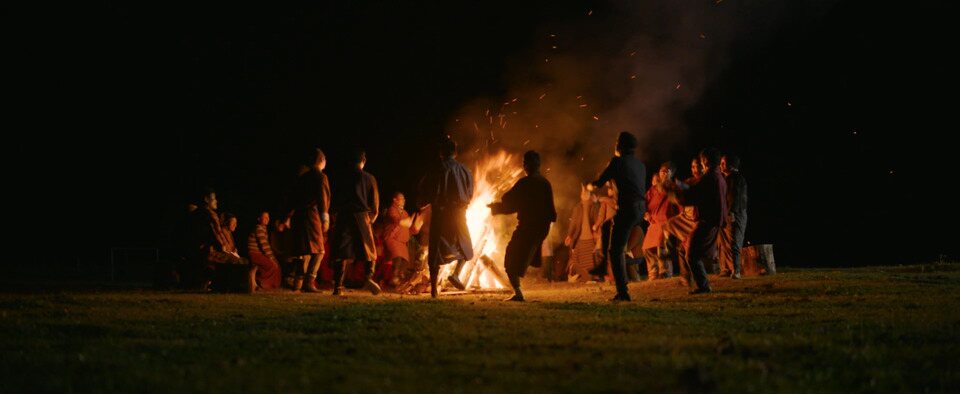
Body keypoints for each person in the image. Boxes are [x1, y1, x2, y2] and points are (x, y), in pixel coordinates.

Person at [488, 150, 557, 301]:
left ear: (526, 165)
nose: (525, 166)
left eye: (525, 163)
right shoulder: (545, 183)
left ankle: (518, 293)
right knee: (517, 259)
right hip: (540, 229)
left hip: (527, 228)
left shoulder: (525, 183)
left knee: (510, 259)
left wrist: (497, 207)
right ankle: (518, 291)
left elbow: (508, 201)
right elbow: (551, 213)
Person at [588, 131, 647, 301]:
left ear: (619, 146)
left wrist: (591, 186)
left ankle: (623, 292)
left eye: (616, 143)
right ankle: (601, 267)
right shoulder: (640, 164)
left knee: (616, 250)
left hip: (627, 209)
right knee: (607, 226)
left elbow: (600, 181)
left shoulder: (617, 161)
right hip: (640, 209)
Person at [417, 136, 474, 298]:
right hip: (458, 214)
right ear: (455, 153)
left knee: (435, 250)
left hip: (441, 214)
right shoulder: (464, 170)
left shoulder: (435, 169)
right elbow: (470, 193)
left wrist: (421, 203)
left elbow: (425, 191)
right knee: (465, 246)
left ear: (441, 152)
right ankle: (456, 273)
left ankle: (434, 289)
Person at [673, 148, 728, 294]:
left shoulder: (710, 177)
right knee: (689, 250)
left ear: (705, 161)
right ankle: (701, 283)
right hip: (714, 219)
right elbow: (696, 190)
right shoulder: (718, 176)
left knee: (691, 253)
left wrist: (675, 192)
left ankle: (703, 286)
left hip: (708, 220)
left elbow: (692, 197)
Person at [329, 149, 381, 296]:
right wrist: (370, 220)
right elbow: (375, 206)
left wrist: (334, 218)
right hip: (362, 217)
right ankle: (368, 277)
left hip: (344, 216)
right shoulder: (370, 178)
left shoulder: (342, 178)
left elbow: (335, 200)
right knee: (369, 251)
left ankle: (338, 286)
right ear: (363, 161)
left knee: (341, 252)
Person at [284, 148, 331, 292]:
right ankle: (309, 281)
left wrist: (288, 216)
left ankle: (299, 281)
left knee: (303, 250)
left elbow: (292, 198)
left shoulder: (303, 177)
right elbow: (322, 198)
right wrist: (325, 218)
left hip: (299, 216)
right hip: (312, 215)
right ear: (322, 161)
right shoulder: (320, 177)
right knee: (319, 250)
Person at [642, 161, 680, 280]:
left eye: (666, 171)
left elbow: (680, 205)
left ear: (671, 174)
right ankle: (653, 273)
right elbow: (644, 203)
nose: (663, 173)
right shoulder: (653, 190)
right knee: (647, 248)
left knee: (662, 247)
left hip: (667, 223)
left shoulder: (674, 188)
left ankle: (665, 272)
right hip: (654, 223)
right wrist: (645, 213)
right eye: (661, 171)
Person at [380, 192, 417, 287]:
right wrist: (408, 221)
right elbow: (399, 222)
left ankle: (395, 280)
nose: (403, 201)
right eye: (401, 199)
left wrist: (416, 226)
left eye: (404, 199)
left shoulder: (404, 213)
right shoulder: (391, 210)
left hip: (402, 242)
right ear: (395, 200)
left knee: (404, 263)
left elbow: (409, 227)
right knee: (397, 257)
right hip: (392, 239)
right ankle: (392, 279)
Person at [720, 154, 748, 279]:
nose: (721, 166)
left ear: (731, 165)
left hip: (736, 214)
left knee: (734, 241)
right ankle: (728, 269)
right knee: (726, 242)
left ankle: (736, 270)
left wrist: (732, 212)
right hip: (728, 213)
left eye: (723, 163)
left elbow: (735, 196)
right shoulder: (727, 178)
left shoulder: (736, 178)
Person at [563, 185, 600, 282]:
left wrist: (598, 234)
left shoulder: (594, 205)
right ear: (580, 195)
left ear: (589, 194)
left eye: (586, 192)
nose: (584, 194)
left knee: (592, 260)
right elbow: (573, 223)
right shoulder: (577, 207)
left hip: (591, 238)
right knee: (576, 259)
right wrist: (569, 235)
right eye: (583, 192)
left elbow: (598, 219)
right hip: (580, 238)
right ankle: (582, 276)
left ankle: (592, 277)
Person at [247, 210, 282, 290]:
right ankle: (263, 283)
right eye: (265, 217)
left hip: (259, 253)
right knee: (272, 265)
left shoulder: (264, 228)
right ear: (259, 219)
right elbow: (264, 246)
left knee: (276, 265)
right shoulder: (259, 228)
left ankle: (270, 285)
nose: (267, 219)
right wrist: (272, 258)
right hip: (254, 253)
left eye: (268, 217)